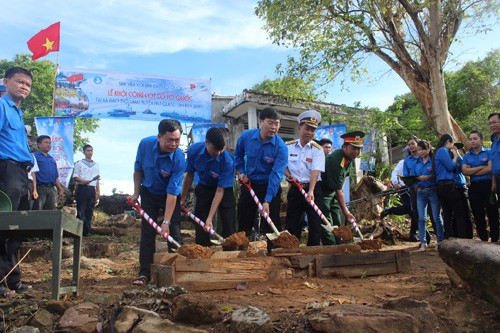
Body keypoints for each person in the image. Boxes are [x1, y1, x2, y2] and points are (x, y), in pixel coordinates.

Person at [127, 119, 185, 286]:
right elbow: (138, 170)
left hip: (169, 195)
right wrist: (136, 192)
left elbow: (173, 192)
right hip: (149, 193)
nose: (174, 144)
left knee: (173, 231)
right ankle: (144, 273)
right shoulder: (145, 145)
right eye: (170, 140)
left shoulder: (179, 158)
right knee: (147, 233)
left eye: (177, 140)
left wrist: (165, 222)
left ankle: (178, 270)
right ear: (159, 136)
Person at [0, 67, 34, 298]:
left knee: (17, 229)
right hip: (6, 169)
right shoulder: (2, 106)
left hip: (23, 172)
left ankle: (13, 279)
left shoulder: (19, 113)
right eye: (19, 82)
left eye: (28, 85)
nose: (24, 86)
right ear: (6, 81)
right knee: (3, 226)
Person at [234, 107, 287, 249]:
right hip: (249, 184)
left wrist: (267, 200)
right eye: (270, 123)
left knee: (272, 222)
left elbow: (276, 175)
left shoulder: (281, 147)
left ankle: (273, 253)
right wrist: (241, 171)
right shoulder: (246, 137)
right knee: (244, 220)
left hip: (270, 186)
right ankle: (241, 251)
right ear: (260, 122)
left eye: (277, 123)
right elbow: (238, 156)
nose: (274, 127)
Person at [180, 127, 236, 249]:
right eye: (215, 149)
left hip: (223, 189)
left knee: (228, 220)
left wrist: (210, 218)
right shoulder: (194, 151)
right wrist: (182, 198)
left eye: (222, 150)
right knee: (201, 220)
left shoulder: (227, 161)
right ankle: (202, 249)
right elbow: (189, 175)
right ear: (206, 142)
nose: (218, 153)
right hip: (204, 186)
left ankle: (230, 251)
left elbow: (220, 191)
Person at [284, 110, 325, 246]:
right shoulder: (288, 147)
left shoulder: (317, 149)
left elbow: (315, 170)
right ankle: (293, 250)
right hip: (296, 189)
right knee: (292, 222)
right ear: (299, 128)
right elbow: (282, 165)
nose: (309, 132)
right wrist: (289, 176)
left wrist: (311, 191)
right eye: (307, 128)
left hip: (313, 189)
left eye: (313, 130)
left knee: (315, 223)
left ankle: (313, 253)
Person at [322, 131, 365, 245]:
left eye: (359, 149)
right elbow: (337, 189)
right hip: (324, 193)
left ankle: (340, 245)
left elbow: (343, 178)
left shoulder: (348, 157)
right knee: (327, 222)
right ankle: (331, 249)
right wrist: (346, 211)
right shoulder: (336, 161)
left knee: (337, 219)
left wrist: (340, 194)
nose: (356, 152)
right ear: (344, 147)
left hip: (334, 192)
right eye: (354, 148)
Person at [463, 131, 499, 242]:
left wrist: (472, 170)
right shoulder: (467, 156)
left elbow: (490, 169)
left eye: (475, 138)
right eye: (470, 139)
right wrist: (481, 167)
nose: (472, 141)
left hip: (489, 185)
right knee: (478, 214)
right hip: (474, 187)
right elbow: (464, 171)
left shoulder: (489, 152)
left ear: (481, 140)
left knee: (492, 212)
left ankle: (494, 239)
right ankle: (483, 239)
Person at [434, 134, 467, 239]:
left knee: (448, 213)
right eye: (452, 144)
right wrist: (456, 156)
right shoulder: (442, 151)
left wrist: (456, 155)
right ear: (448, 141)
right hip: (447, 185)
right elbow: (451, 166)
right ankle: (461, 238)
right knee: (459, 212)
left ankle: (449, 237)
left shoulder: (440, 152)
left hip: (442, 186)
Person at [414, 140, 444, 251]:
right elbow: (414, 176)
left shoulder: (434, 161)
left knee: (436, 217)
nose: (421, 152)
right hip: (421, 192)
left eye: (423, 149)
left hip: (433, 190)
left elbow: (438, 175)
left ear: (429, 149)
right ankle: (423, 243)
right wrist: (415, 184)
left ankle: (440, 241)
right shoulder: (417, 162)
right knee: (421, 218)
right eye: (419, 150)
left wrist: (427, 177)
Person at [73, 144, 100, 237]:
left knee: (90, 210)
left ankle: (87, 231)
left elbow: (97, 180)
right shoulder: (79, 163)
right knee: (81, 210)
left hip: (91, 189)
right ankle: (79, 231)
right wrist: (83, 181)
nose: (90, 152)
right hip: (82, 188)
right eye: (88, 150)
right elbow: (75, 176)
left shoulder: (96, 165)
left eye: (91, 150)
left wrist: (98, 191)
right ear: (84, 152)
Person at [33, 135, 65, 210]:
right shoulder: (34, 156)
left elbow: (56, 176)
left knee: (49, 213)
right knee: (38, 211)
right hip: (40, 188)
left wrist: (60, 189)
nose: (48, 144)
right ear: (39, 144)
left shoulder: (52, 160)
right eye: (46, 142)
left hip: (51, 189)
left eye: (49, 143)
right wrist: (34, 189)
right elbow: (32, 173)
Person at [402, 136, 421, 241]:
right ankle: (423, 237)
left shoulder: (424, 157)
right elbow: (406, 176)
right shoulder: (407, 161)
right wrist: (414, 185)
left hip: (428, 187)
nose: (411, 146)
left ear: (417, 144)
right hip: (413, 190)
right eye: (409, 145)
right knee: (416, 212)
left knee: (433, 213)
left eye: (413, 143)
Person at [488, 113, 500, 204]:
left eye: (494, 122)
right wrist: (494, 182)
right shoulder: (494, 143)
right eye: (490, 123)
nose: (492, 125)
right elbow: (494, 163)